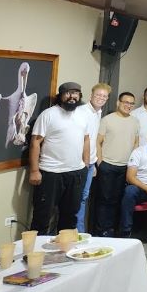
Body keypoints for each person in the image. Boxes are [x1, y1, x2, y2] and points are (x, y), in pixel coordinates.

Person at [28, 82, 90, 235]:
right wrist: (34, 171)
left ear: (80, 96)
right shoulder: (48, 114)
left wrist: (86, 163)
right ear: (60, 96)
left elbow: (86, 139)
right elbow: (35, 142)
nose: (72, 96)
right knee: (42, 216)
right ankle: (36, 249)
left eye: (75, 93)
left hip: (76, 173)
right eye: (68, 93)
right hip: (51, 173)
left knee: (70, 217)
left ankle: (65, 248)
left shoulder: (83, 115)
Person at [94, 92, 140, 237]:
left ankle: (114, 229)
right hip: (108, 165)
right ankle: (102, 230)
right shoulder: (107, 120)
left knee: (120, 199)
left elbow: (136, 142)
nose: (128, 105)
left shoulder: (135, 121)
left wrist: (133, 164)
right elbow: (98, 142)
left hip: (126, 167)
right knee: (105, 199)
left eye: (131, 103)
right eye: (126, 102)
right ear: (118, 103)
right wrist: (100, 163)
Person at [76, 83, 110, 232]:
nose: (101, 98)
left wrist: (94, 162)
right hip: (80, 163)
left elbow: (94, 139)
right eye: (98, 95)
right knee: (77, 198)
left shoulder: (98, 112)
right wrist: (85, 162)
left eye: (104, 96)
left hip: (90, 163)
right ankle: (76, 232)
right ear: (91, 95)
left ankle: (79, 232)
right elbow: (80, 139)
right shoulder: (81, 111)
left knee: (83, 197)